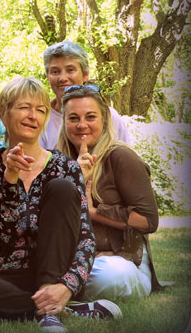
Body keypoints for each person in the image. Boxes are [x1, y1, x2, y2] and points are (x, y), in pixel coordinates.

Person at [0, 77, 120, 333]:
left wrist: (67, 285)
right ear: (4, 113)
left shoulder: (66, 167)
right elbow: (1, 236)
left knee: (62, 186)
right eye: (24, 107)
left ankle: (52, 295)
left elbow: (85, 237)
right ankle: (59, 310)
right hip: (5, 275)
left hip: (56, 272)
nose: (33, 116)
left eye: (40, 110)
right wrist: (9, 179)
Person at [57, 84, 162, 300]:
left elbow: (147, 220)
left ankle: (63, 291)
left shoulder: (120, 157)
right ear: (64, 121)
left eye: (91, 117)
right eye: (73, 118)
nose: (82, 125)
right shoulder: (57, 162)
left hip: (120, 263)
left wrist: (94, 212)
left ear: (104, 119)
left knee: (108, 275)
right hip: (75, 260)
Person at [40, 40, 130, 149]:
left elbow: (125, 158)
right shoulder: (40, 118)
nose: (62, 78)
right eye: (55, 72)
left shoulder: (109, 117)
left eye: (70, 70)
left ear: (85, 74)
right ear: (47, 77)